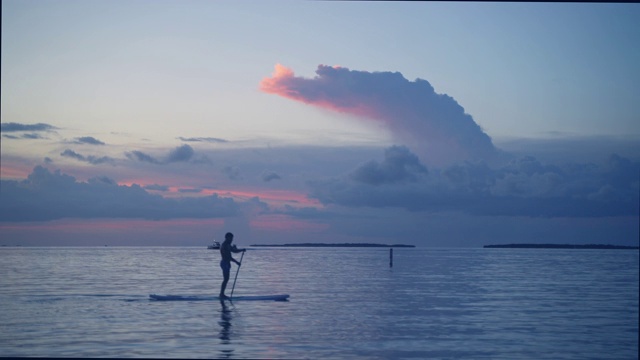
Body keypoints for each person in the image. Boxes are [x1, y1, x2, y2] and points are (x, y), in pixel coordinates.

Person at [219, 232, 245, 299]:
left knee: (226, 279)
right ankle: (221, 294)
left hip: (226, 263)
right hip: (225, 263)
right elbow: (228, 257)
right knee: (226, 279)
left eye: (232, 238)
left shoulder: (227, 245)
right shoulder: (225, 245)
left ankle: (222, 294)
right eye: (231, 238)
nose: (232, 240)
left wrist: (241, 250)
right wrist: (236, 262)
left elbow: (234, 250)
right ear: (227, 238)